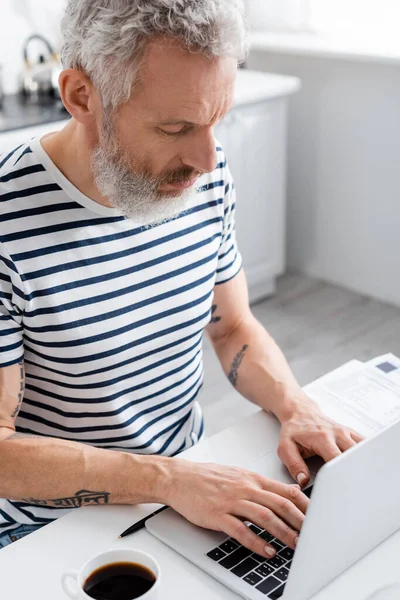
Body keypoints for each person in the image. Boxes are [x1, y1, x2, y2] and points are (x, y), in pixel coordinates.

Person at [0, 0, 363, 552]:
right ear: (81, 96)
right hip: (47, 523)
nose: (208, 157)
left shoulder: (201, 178)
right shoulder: (8, 224)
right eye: (176, 127)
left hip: (189, 487)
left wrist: (296, 406)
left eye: (218, 119)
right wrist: (168, 481)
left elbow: (232, 327)